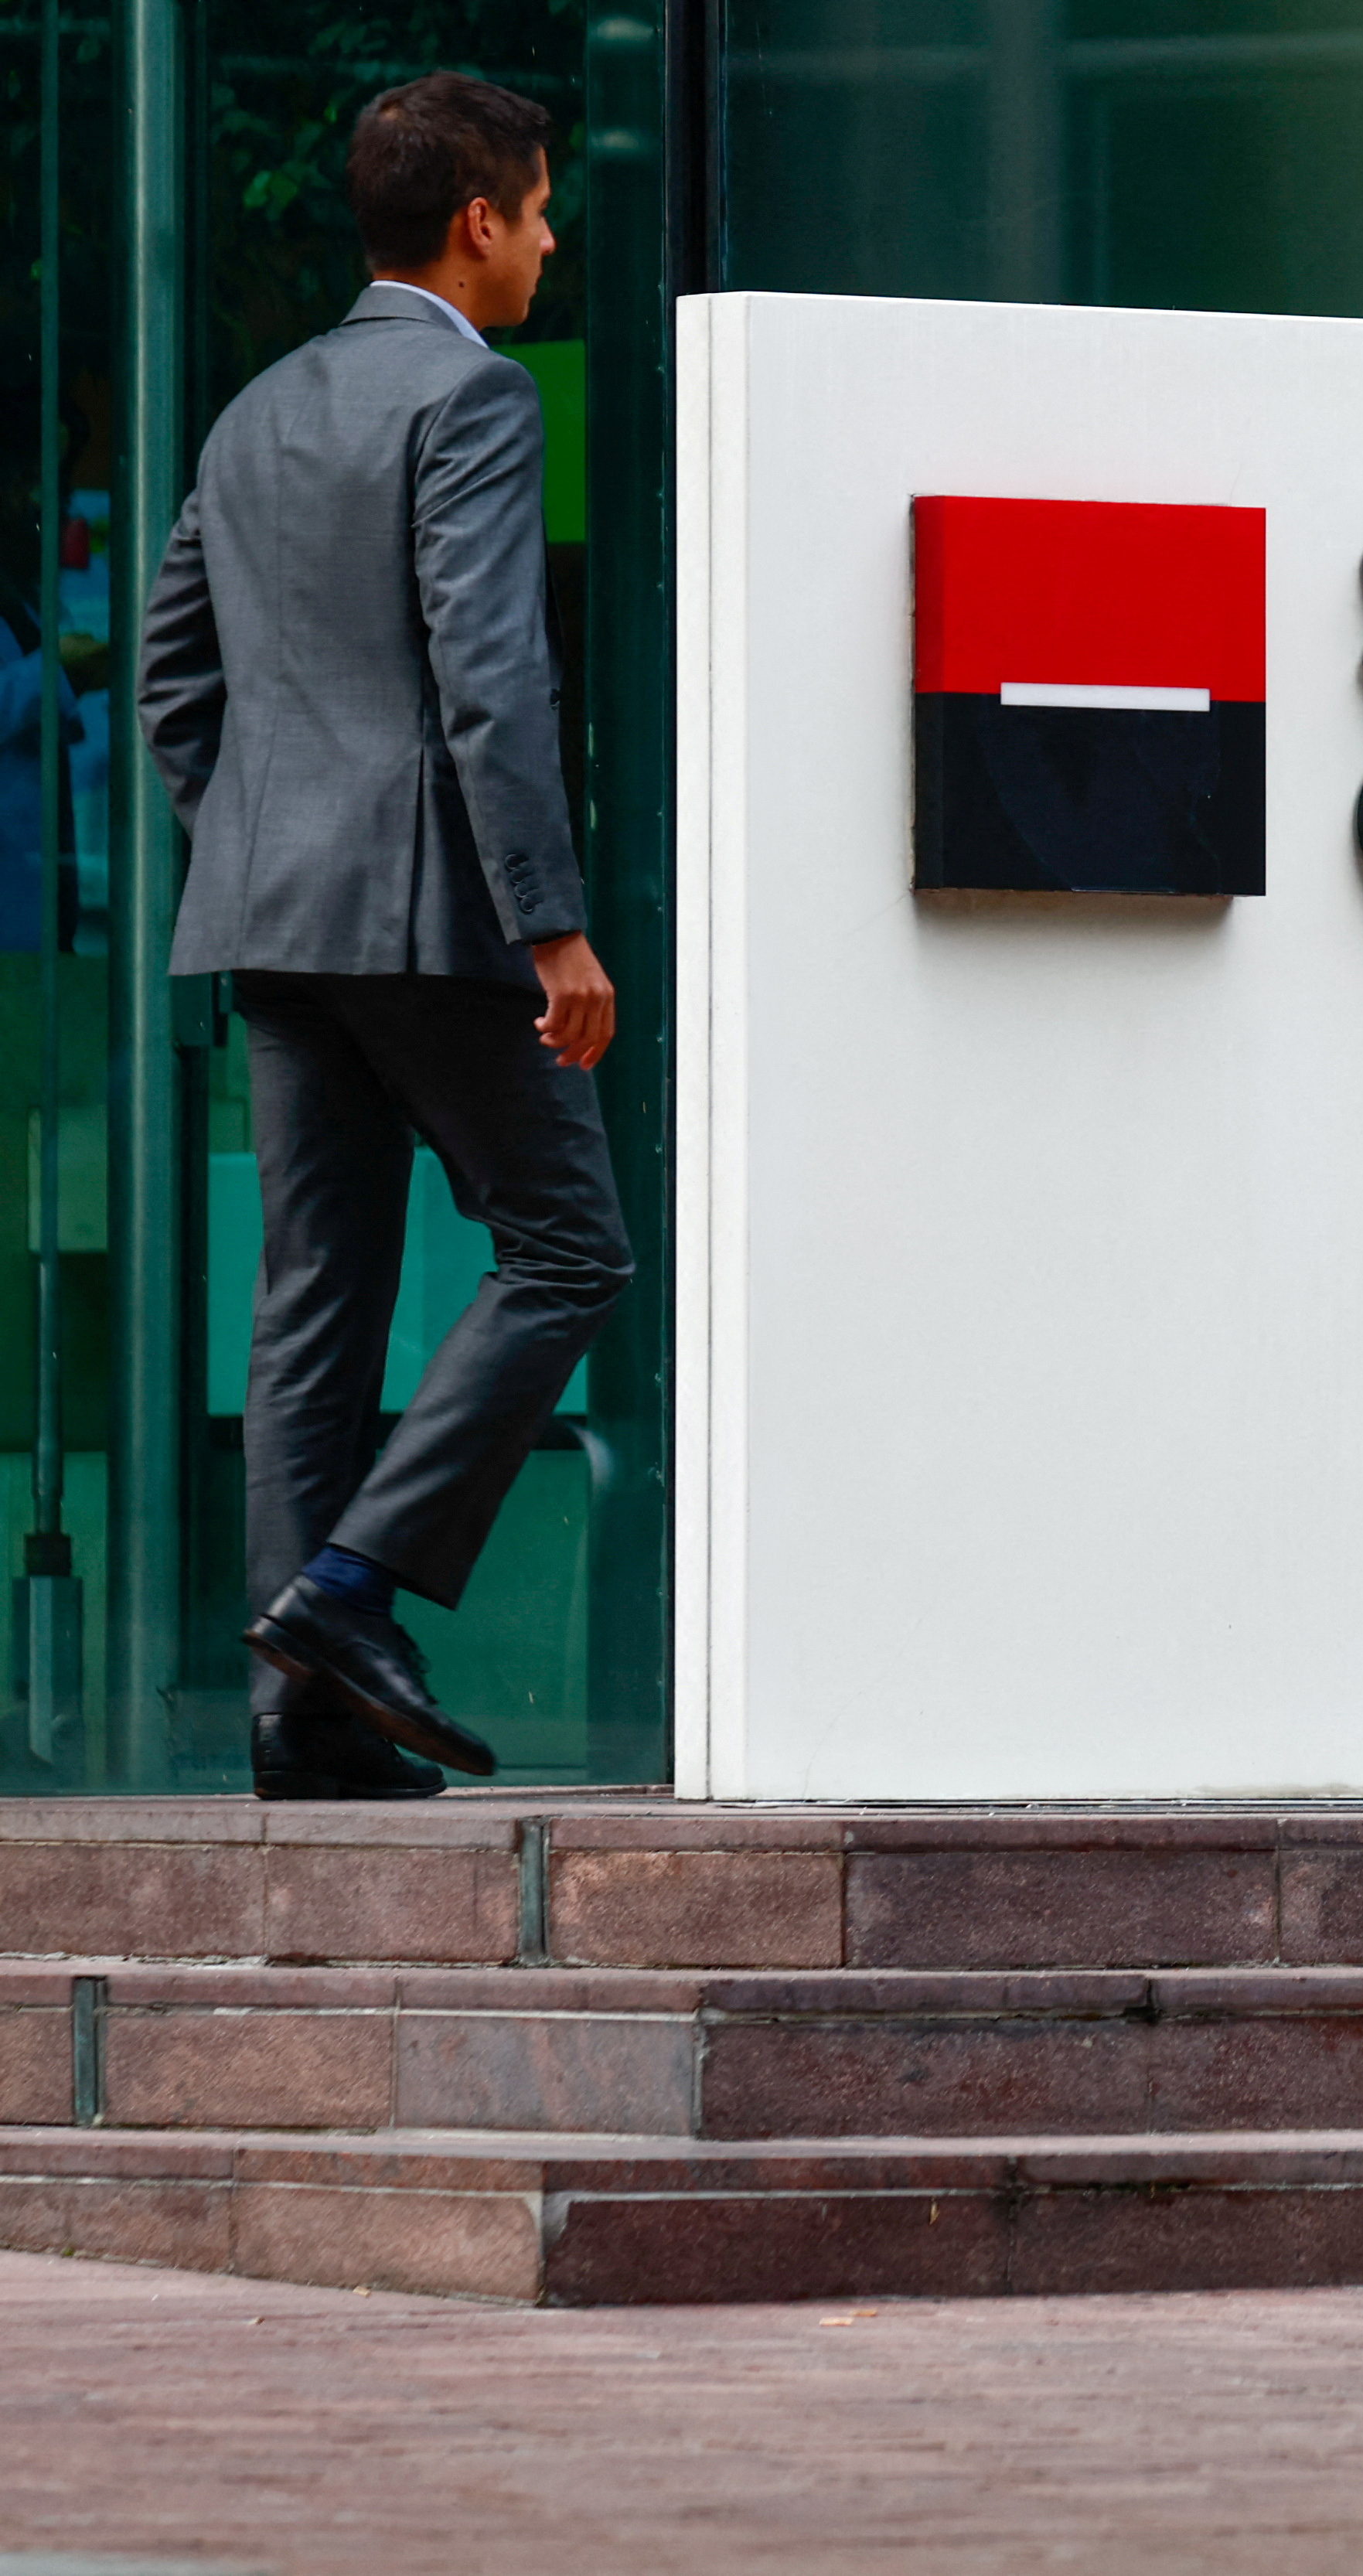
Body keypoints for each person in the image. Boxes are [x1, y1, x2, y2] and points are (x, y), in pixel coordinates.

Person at [137, 73, 630, 1801]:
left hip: (272, 917)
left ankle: (302, 1723)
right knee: (569, 1247)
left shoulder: (257, 409)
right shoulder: (474, 400)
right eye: (544, 207)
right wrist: (552, 927)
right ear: (476, 221)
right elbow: (495, 673)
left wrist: (270, 847)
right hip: (429, 914)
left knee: (313, 1303)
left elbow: (171, 680)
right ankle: (348, 1593)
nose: (556, 238)